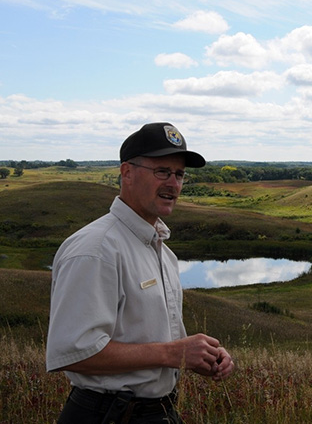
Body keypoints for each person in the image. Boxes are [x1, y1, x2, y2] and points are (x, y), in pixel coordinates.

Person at [47, 122, 234, 424]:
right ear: (127, 173)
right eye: (162, 171)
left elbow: (156, 339)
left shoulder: (161, 250)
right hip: (106, 415)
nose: (173, 184)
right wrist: (173, 353)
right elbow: (74, 352)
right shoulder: (96, 249)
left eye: (180, 174)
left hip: (156, 413)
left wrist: (200, 356)